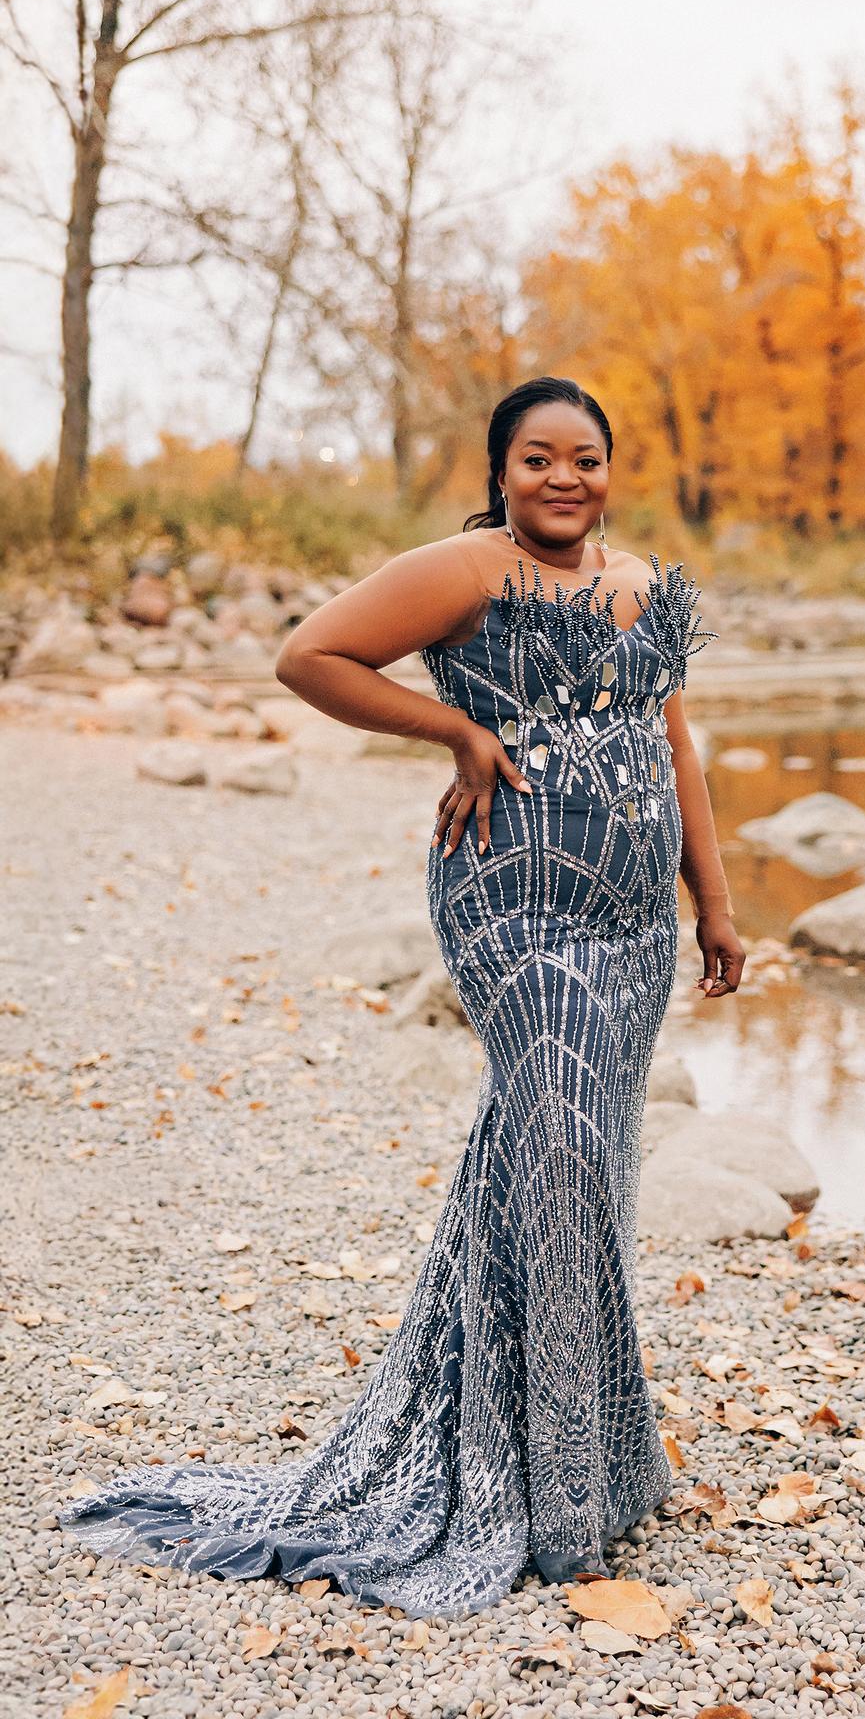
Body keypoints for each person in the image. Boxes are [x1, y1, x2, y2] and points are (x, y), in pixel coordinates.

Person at [60, 375, 745, 1620]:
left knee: (564, 1163)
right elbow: (306, 654)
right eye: (537, 457)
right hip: (513, 903)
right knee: (561, 1149)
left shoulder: (644, 584)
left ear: (610, 469)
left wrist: (716, 900)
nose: (563, 478)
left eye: (584, 457)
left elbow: (672, 747)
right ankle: (554, 1497)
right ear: (501, 471)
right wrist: (454, 731)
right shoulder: (464, 570)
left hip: (636, 920)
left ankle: (580, 1457)